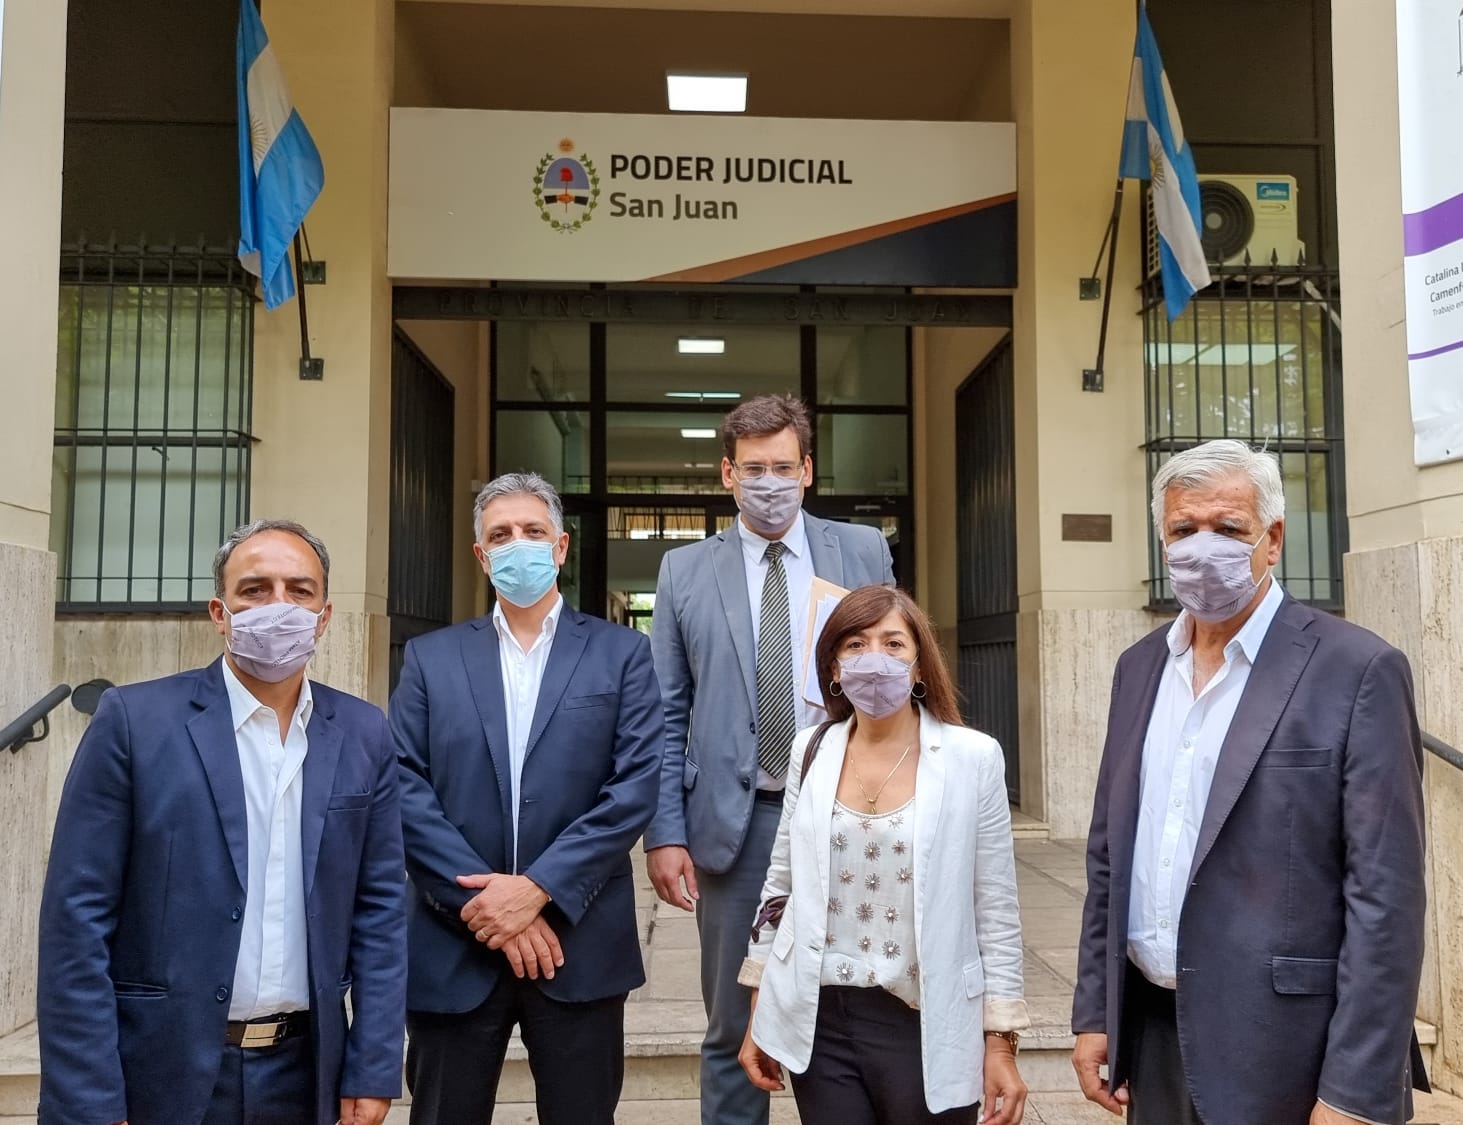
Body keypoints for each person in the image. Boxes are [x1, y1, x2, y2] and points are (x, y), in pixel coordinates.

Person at [1071, 439, 1429, 1125]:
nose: (1202, 547)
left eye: (1228, 528)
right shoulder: (1138, 667)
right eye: (1183, 529)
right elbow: (1108, 856)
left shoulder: (1356, 669)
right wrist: (1095, 1010)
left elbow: (1385, 896)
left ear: (1273, 539)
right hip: (1151, 1033)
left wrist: (1354, 1091)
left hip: (1286, 1051)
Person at [37, 520, 407, 1125]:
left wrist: (373, 1064)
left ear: (324, 616)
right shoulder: (134, 722)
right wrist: (90, 1098)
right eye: (255, 590)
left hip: (307, 1073)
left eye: (300, 591)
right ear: (220, 612)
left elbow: (381, 910)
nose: (278, 606)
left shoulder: (364, 732)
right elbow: (76, 920)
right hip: (159, 1072)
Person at [644, 393, 896, 1125]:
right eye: (753, 469)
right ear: (727, 473)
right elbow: (665, 711)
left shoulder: (863, 550)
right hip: (738, 822)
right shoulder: (684, 571)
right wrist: (664, 832)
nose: (769, 482)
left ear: (807, 470)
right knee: (736, 1023)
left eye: (783, 467)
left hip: (852, 809)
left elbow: (895, 667)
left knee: (861, 1012)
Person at [391, 471, 664, 1125]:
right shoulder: (430, 658)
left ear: (561, 547)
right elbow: (402, 784)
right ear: (482, 555)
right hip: (454, 941)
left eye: (533, 531)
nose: (518, 544)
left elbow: (632, 787)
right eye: (501, 535)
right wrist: (487, 904)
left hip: (578, 941)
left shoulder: (622, 654)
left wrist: (539, 888)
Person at [736, 584, 1029, 1125]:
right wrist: (760, 1009)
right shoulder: (811, 749)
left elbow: (996, 909)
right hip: (822, 1021)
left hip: (927, 1020)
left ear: (919, 666)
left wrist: (1001, 1041)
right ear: (833, 668)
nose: (875, 659)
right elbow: (781, 886)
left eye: (893, 644)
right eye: (855, 644)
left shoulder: (973, 758)